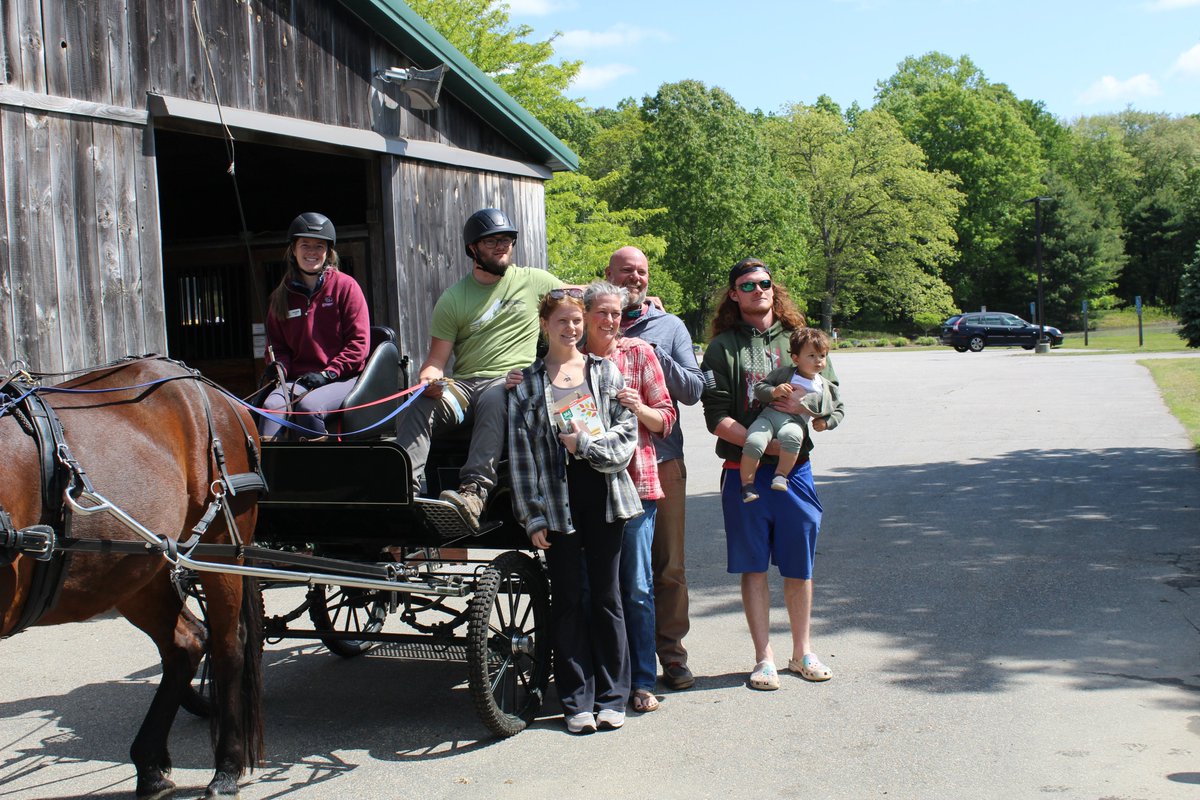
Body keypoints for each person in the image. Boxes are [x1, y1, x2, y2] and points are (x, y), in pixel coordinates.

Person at [699, 257, 840, 691]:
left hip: (794, 473)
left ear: (773, 289)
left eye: (764, 283)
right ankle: (764, 658)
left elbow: (833, 401)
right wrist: (762, 446)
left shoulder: (799, 339)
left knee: (799, 564)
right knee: (754, 565)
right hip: (742, 470)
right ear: (733, 294)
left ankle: (802, 652)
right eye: (747, 285)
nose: (758, 290)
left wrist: (808, 409)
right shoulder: (722, 348)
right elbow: (716, 416)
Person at [507, 289, 641, 734]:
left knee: (607, 597)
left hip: (605, 496)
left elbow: (625, 440)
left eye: (577, 321)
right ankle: (576, 701)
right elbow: (522, 458)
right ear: (545, 325)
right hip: (555, 502)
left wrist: (584, 445)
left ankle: (612, 697)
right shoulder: (527, 383)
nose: (571, 328)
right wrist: (532, 516)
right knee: (567, 599)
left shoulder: (604, 372)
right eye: (562, 321)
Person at [395, 208, 562, 530]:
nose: (501, 247)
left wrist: (631, 298)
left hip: (508, 381)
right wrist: (428, 380)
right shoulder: (453, 298)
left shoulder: (535, 281)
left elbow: (582, 297)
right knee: (417, 402)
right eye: (491, 242)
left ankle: (473, 492)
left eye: (507, 240)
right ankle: (403, 492)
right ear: (472, 249)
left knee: (496, 396)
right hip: (463, 386)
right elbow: (435, 362)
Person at [605, 246, 704, 692]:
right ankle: (623, 658)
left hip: (661, 461)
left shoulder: (670, 326)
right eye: (625, 271)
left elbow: (693, 390)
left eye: (641, 272)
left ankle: (673, 654)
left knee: (667, 567)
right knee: (618, 570)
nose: (635, 278)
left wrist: (652, 353)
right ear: (607, 275)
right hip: (605, 465)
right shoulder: (593, 318)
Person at [580, 280, 677, 714]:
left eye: (616, 313)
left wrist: (638, 408)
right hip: (585, 488)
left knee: (636, 588)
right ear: (585, 315)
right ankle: (601, 681)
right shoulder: (570, 358)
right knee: (593, 589)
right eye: (601, 312)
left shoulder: (639, 353)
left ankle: (641, 679)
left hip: (636, 486)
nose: (609, 320)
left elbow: (666, 419)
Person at [260, 212, 370, 439]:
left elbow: (359, 344)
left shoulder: (346, 287)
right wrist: (278, 366)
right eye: (305, 245)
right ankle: (270, 463)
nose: (312, 252)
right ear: (293, 249)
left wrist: (329, 373)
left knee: (309, 408)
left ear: (328, 251)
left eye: (319, 246)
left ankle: (319, 462)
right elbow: (277, 346)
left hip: (342, 378)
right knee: (270, 409)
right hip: (298, 380)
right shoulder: (281, 296)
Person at [739, 327, 843, 502]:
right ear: (796, 358)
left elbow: (839, 408)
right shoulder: (784, 373)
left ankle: (781, 475)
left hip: (794, 423)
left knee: (793, 437)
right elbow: (760, 387)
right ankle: (747, 485)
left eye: (822, 355)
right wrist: (774, 391)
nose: (818, 360)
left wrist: (827, 422)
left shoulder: (826, 386)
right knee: (754, 441)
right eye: (812, 355)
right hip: (769, 417)